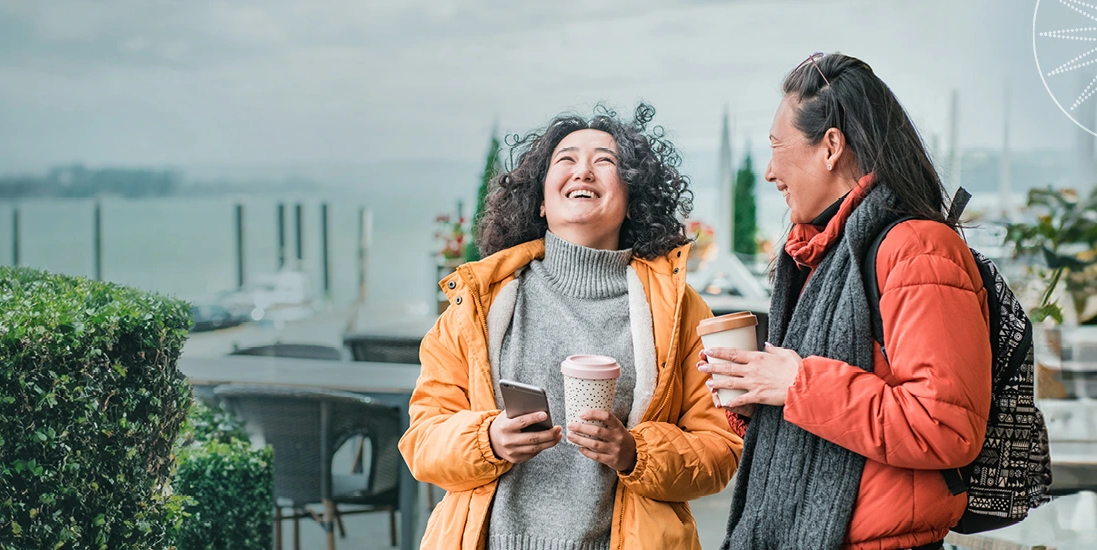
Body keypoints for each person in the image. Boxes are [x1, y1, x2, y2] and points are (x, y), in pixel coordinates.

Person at [399, 103, 742, 550]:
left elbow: (719, 446)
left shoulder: (680, 311)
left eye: (605, 161)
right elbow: (423, 441)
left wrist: (635, 453)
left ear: (633, 199)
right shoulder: (478, 303)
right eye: (566, 160)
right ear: (540, 201)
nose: (583, 171)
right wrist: (488, 439)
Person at [703, 52, 993, 550]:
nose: (770, 172)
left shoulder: (917, 249)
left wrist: (796, 384)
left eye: (777, 147)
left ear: (831, 145)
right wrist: (761, 399)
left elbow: (945, 426)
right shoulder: (819, 254)